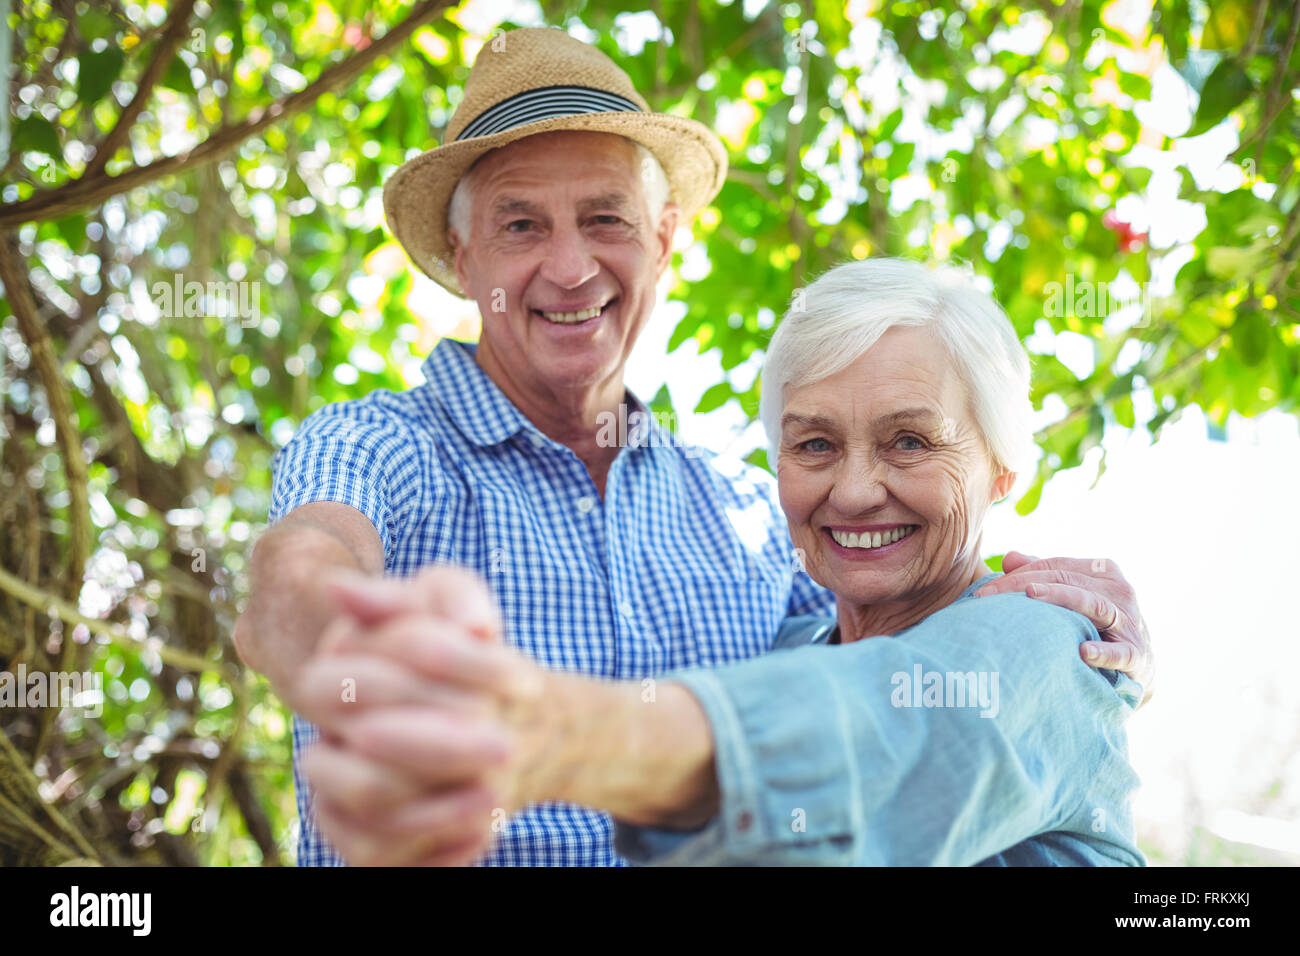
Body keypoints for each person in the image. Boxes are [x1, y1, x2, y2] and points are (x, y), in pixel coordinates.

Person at [234, 28, 1153, 867]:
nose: (568, 267)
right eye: (522, 224)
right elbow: (299, 573)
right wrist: (356, 658)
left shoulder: (753, 515)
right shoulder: (376, 444)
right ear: (462, 252)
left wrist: (1093, 641)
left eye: (607, 218)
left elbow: (905, 677)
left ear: (664, 239)